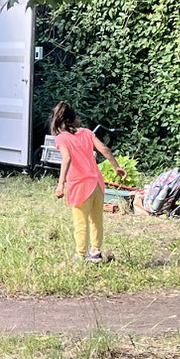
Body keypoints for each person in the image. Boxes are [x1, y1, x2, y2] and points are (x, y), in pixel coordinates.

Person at [51, 102, 118, 262]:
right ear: (74, 119)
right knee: (96, 220)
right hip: (97, 184)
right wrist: (117, 167)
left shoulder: (61, 138)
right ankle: (95, 252)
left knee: (81, 222)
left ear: (56, 122)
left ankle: (80, 256)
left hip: (80, 186)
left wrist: (61, 184)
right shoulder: (87, 133)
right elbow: (104, 149)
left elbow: (66, 158)